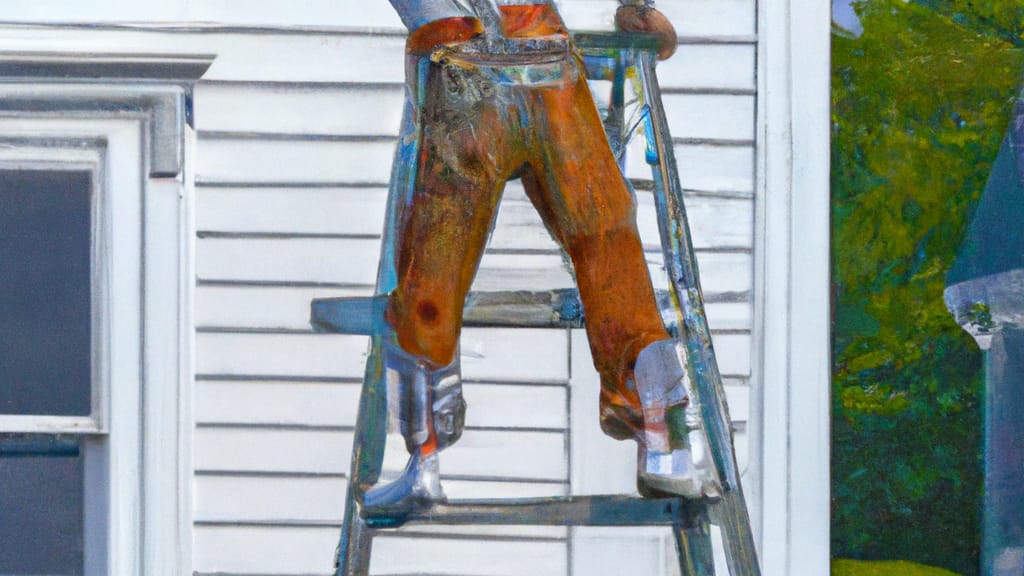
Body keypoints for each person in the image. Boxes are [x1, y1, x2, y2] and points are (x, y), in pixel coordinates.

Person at [365, 0, 720, 514]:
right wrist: (638, 12)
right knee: (604, 234)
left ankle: (424, 460)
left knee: (435, 255)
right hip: (544, 58)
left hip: (459, 59)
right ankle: (663, 441)